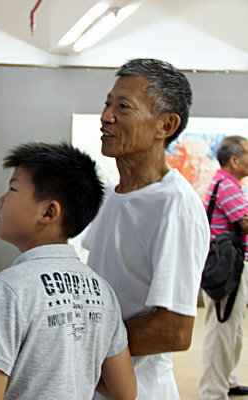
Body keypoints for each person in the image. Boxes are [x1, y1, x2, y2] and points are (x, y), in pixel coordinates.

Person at [0, 142, 137, 400]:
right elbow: (125, 391)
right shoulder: (102, 291)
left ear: (48, 212)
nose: (1, 199)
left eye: (13, 188)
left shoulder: (9, 288)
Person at [82, 58, 210, 399]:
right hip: (97, 385)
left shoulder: (175, 207)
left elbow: (173, 330)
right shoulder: (111, 192)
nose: (106, 117)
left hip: (140, 389)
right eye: (108, 103)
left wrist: (80, 348)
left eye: (123, 107)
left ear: (165, 125)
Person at [199, 135, 248, 399]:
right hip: (226, 268)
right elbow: (245, 223)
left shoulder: (225, 182)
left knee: (232, 329)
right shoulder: (227, 185)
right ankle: (213, 393)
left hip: (229, 266)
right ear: (235, 160)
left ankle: (226, 381)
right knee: (222, 331)